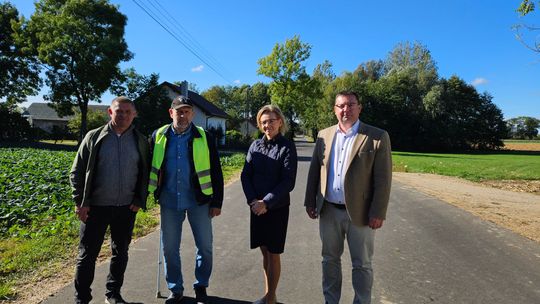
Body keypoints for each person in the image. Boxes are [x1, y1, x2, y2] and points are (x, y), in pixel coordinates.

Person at [304, 91, 392, 304]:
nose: (346, 109)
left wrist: (378, 212)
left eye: (351, 105)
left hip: (361, 214)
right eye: (341, 105)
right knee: (329, 261)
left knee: (362, 264)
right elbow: (315, 170)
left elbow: (383, 179)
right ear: (334, 109)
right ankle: (330, 301)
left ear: (359, 108)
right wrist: (309, 201)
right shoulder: (323, 135)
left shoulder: (377, 136)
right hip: (328, 211)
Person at [70, 96, 150, 304]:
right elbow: (77, 171)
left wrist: (139, 199)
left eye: (127, 112)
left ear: (134, 115)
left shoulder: (140, 141)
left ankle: (113, 294)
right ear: (110, 112)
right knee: (87, 256)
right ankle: (82, 298)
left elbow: (146, 172)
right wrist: (80, 202)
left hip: (126, 207)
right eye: (118, 111)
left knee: (120, 253)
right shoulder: (94, 137)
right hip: (95, 207)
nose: (122, 115)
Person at [148, 95, 224, 304]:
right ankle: (176, 289)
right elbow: (148, 166)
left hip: (199, 200)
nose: (183, 115)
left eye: (187, 111)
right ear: (171, 113)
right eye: (178, 111)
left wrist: (217, 201)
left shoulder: (204, 137)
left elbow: (216, 171)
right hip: (169, 200)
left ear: (192, 114)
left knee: (205, 247)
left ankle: (201, 285)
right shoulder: (158, 136)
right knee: (170, 248)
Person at [241, 105, 298, 304]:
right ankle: (268, 294)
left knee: (273, 254)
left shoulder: (287, 146)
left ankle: (271, 299)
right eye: (264, 122)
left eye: (271, 121)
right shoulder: (255, 145)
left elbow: (288, 181)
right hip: (256, 208)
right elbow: (245, 175)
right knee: (264, 252)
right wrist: (253, 201)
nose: (267, 125)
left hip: (276, 208)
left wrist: (266, 202)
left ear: (280, 122)